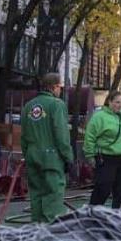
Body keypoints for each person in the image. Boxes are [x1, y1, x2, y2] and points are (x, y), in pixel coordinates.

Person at [21, 73, 73, 222]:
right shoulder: (57, 104)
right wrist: (68, 157)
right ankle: (52, 230)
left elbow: (23, 136)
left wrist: (28, 154)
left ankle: (37, 230)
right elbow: (61, 134)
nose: (60, 91)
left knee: (36, 194)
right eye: (60, 87)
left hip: (32, 155)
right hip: (52, 157)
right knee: (53, 194)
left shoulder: (28, 106)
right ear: (55, 86)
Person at [84, 92, 121, 208]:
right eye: (117, 102)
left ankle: (118, 215)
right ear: (109, 102)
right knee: (103, 188)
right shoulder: (99, 117)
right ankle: (92, 212)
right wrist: (90, 155)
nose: (120, 105)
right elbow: (90, 137)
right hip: (107, 157)